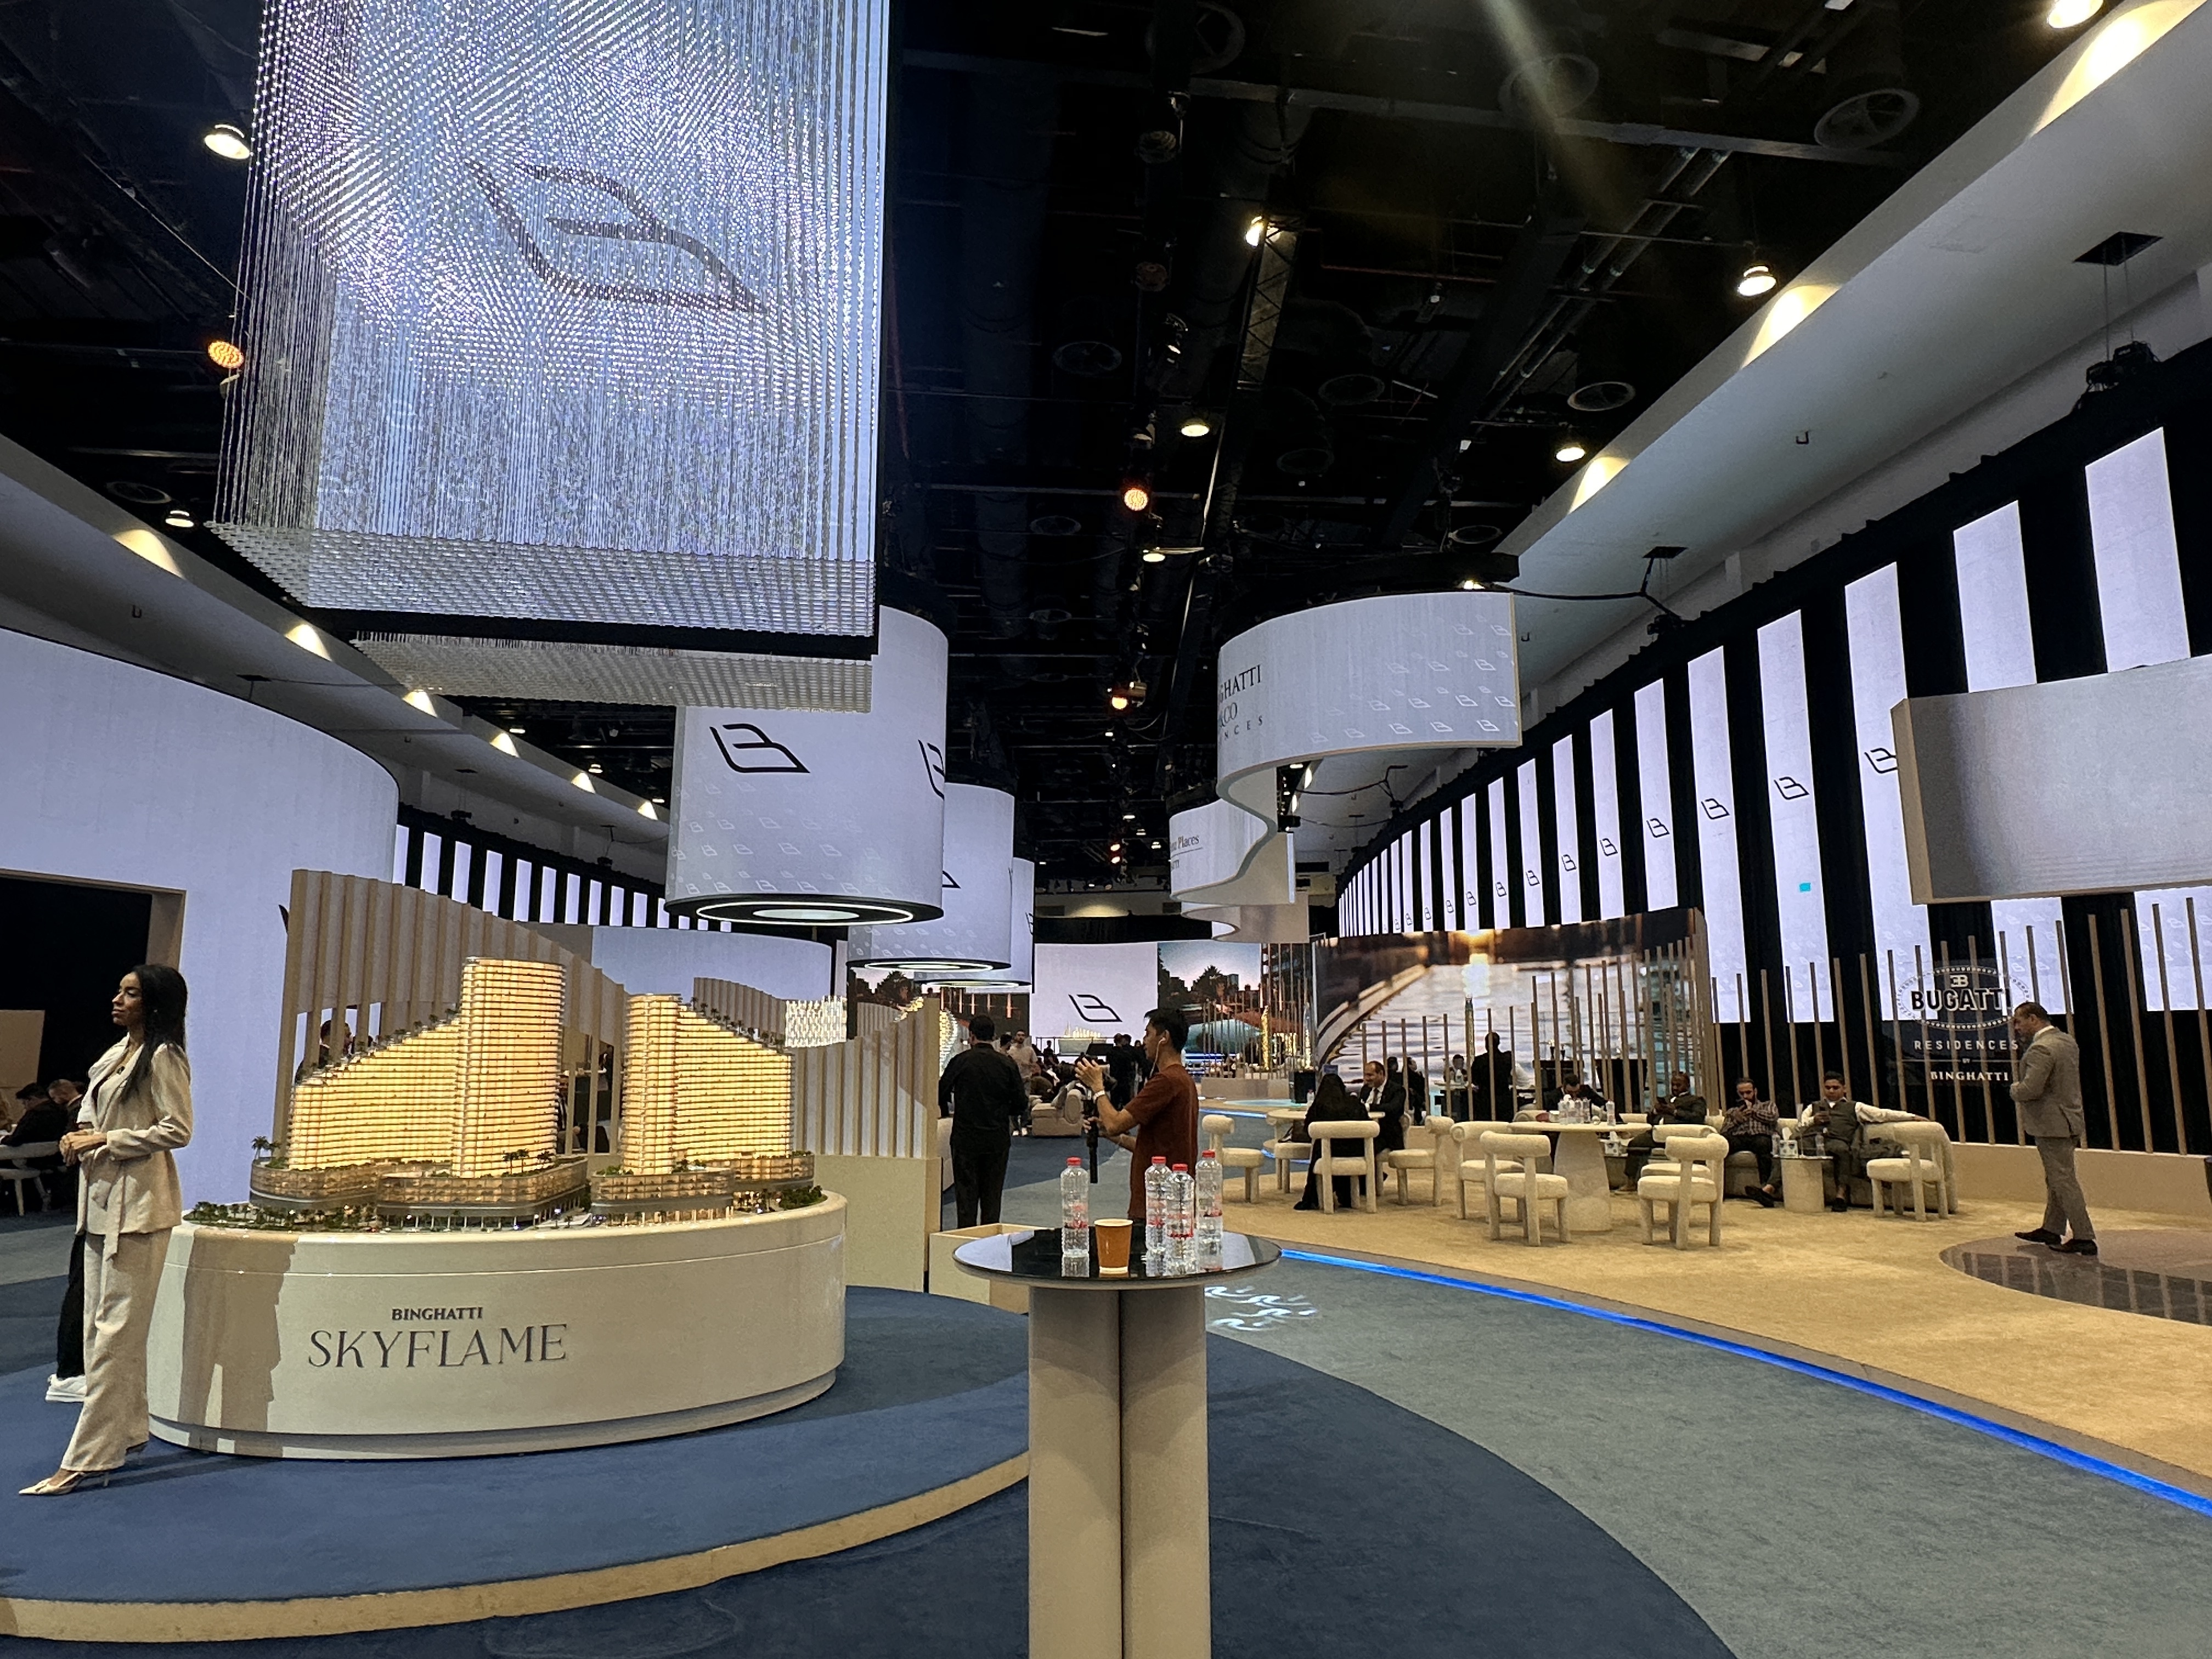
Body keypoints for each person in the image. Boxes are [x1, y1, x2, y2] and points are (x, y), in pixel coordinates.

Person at [24, 964, 194, 1497]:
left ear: (154, 1003)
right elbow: (95, 1113)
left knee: (114, 1338)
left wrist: (106, 1141)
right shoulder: (118, 1052)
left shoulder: (163, 1057)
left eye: (131, 993)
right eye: (120, 990)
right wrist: (80, 1132)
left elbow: (178, 1129)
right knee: (100, 1333)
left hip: (139, 1211)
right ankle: (130, 1430)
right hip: (99, 1206)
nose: (118, 999)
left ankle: (88, 1457)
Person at [1076, 1007, 1198, 1221]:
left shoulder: (1166, 1081)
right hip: (1172, 1199)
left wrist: (1097, 1088)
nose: (1144, 1041)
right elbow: (1155, 1147)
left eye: (1148, 1034)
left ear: (1164, 1037)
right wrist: (1111, 1135)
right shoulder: (1183, 1080)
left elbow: (1115, 1123)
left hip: (1157, 1204)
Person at [2008, 1002, 2095, 1254]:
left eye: (2019, 1022)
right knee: (2057, 1178)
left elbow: (2031, 1089)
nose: (2017, 1028)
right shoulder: (2066, 1041)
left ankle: (2084, 1236)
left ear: (2033, 1019)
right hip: (2070, 1119)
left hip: (2052, 1124)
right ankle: (2052, 1228)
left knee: (2064, 1181)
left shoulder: (2041, 1049)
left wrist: (2014, 1089)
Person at [937, 1011, 1027, 1227]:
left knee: (966, 1199)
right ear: (994, 1036)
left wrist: (948, 1110)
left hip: (965, 1138)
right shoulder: (1006, 1064)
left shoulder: (960, 1061)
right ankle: (989, 1240)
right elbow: (1020, 1104)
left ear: (972, 1035)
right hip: (996, 1138)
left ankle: (965, 1240)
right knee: (992, 1197)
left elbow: (941, 1092)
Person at [1801, 1072, 1925, 1212]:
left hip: (1838, 1141)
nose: (1831, 1091)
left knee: (1842, 1150)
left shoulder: (1855, 1107)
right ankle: (1789, 1191)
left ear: (1844, 1089)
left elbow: (1882, 1114)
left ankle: (1841, 1196)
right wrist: (1813, 1120)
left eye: (1835, 1088)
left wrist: (1912, 1117)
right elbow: (1801, 1125)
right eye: (1828, 1088)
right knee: (1795, 1148)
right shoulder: (1813, 1107)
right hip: (1812, 1139)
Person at [1294, 1071, 1370, 1210]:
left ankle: (1314, 1197)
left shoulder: (1318, 1107)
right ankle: (1348, 1194)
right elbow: (1366, 1124)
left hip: (1326, 1153)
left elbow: (1309, 1131)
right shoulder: (1354, 1104)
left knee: (1320, 1147)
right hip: (1354, 1152)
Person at [1623, 1071, 1707, 1182]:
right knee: (1635, 1144)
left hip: (1678, 1135)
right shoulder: (1667, 1099)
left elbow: (1697, 1118)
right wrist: (1655, 1111)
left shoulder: (1696, 1100)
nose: (1675, 1088)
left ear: (1687, 1086)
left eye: (1678, 1085)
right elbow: (1650, 1121)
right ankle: (1632, 1181)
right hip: (1657, 1134)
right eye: (1673, 1085)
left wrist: (1675, 1112)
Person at [1722, 1077, 1781, 1206]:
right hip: (1739, 1138)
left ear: (1755, 1092)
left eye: (1748, 1093)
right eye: (1742, 1094)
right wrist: (1736, 1121)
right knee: (1722, 1144)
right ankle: (1718, 1186)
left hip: (1760, 1136)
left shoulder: (1767, 1105)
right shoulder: (1733, 1111)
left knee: (1764, 1144)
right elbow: (1724, 1131)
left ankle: (1765, 1190)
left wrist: (1754, 1112)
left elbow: (1773, 1118)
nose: (1745, 1097)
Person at [1105, 1032, 1142, 1108]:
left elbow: (1108, 1062)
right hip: (1124, 1079)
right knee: (1126, 1101)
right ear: (1122, 1041)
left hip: (1114, 1079)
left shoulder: (1110, 1052)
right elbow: (1129, 1067)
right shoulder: (1126, 1054)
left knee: (1114, 1101)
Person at [1442, 1054, 1471, 1121]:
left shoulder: (1465, 1072)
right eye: (1458, 1063)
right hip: (1452, 1093)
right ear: (1454, 1063)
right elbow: (1447, 1080)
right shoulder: (1449, 1071)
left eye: (1461, 1063)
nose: (1460, 1065)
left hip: (1463, 1092)